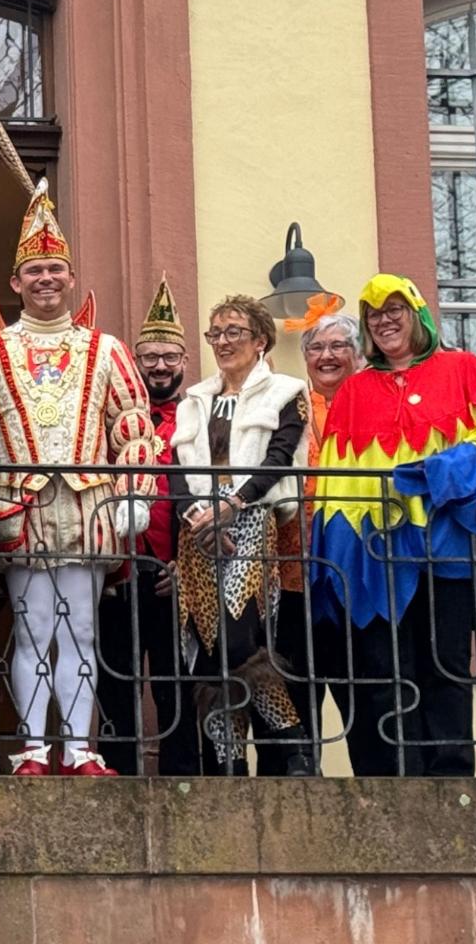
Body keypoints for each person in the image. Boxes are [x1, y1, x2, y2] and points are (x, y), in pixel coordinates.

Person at [311, 274, 476, 777]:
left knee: (447, 666)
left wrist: (444, 471)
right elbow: (335, 481)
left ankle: (451, 778)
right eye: (374, 314)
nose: (384, 320)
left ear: (418, 314)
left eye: (395, 308)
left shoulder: (467, 370)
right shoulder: (353, 392)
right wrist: (336, 558)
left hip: (447, 546)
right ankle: (398, 779)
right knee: (385, 671)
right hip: (376, 555)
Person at [0, 181, 155, 776]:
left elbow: (132, 424)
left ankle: (78, 749)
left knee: (80, 633)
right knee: (30, 633)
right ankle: (31, 749)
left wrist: (135, 493)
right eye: (35, 271)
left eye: (56, 269)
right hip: (17, 510)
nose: (46, 279)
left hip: (87, 508)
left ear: (71, 277)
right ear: (16, 281)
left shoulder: (106, 350)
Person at [171, 294, 313, 774]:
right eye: (216, 333)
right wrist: (195, 515)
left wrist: (235, 503)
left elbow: (279, 457)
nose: (224, 342)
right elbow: (174, 465)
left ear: (260, 341)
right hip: (197, 528)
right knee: (208, 651)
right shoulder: (195, 400)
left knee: (236, 639)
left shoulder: (287, 391)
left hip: (251, 518)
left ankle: (292, 740)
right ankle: (225, 761)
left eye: (235, 332)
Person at [96, 275, 197, 775]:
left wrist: (188, 562)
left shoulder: (198, 417)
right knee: (115, 679)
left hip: (174, 571)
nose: (159, 366)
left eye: (169, 358)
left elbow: (209, 494)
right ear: (135, 362)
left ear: (184, 363)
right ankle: (117, 775)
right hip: (117, 568)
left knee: (176, 682)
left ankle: (181, 777)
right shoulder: (112, 419)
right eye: (150, 357)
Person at [286, 310, 365, 751]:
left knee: (365, 691)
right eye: (316, 347)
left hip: (361, 571)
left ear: (356, 354)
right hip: (297, 570)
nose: (327, 356)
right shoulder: (291, 407)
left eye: (338, 346)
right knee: (299, 686)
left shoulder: (371, 401)